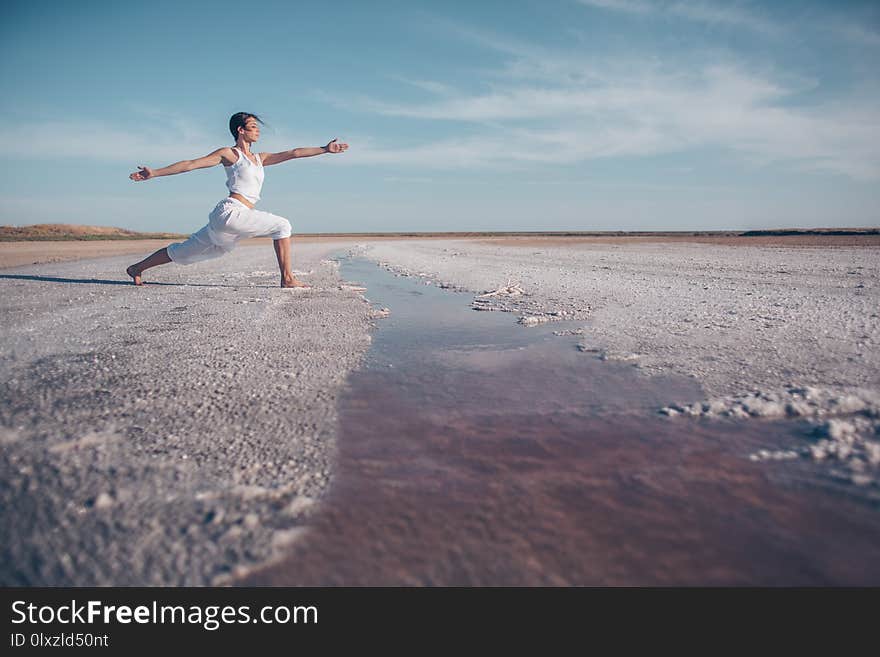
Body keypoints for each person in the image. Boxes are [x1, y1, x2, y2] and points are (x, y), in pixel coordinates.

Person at [126, 112, 348, 287]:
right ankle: (287, 279)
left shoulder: (261, 158)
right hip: (232, 212)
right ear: (240, 130)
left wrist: (324, 149)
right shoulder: (231, 154)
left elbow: (294, 152)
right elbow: (191, 164)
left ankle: (136, 268)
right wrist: (155, 173)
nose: (258, 131)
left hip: (229, 223)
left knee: (184, 251)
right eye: (253, 127)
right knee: (282, 225)